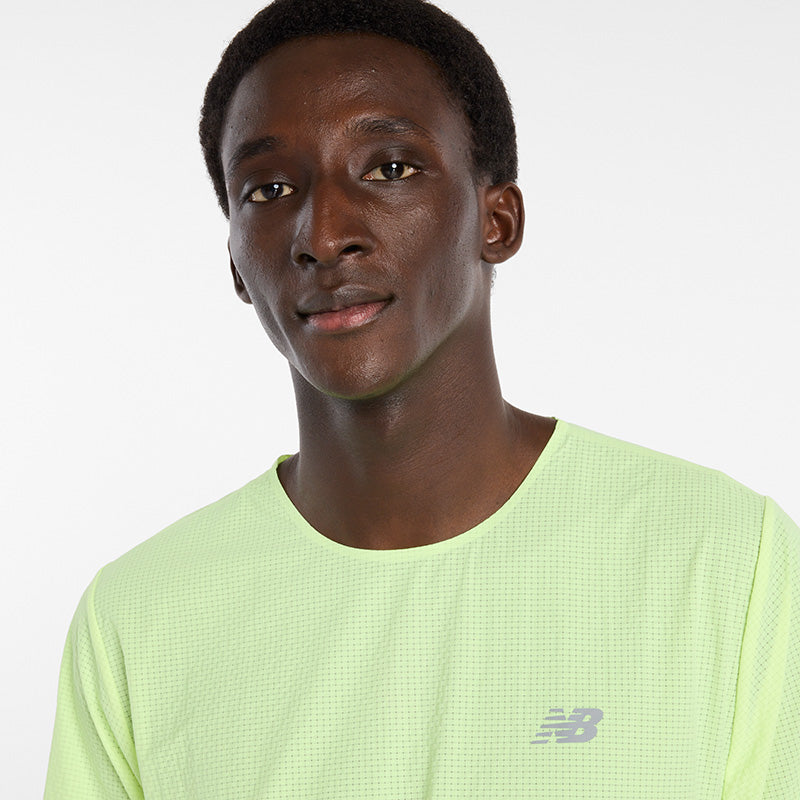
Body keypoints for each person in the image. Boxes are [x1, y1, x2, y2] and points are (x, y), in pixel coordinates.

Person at [44, 0, 799, 797]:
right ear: (235, 261)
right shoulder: (137, 621)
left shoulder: (726, 562)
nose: (322, 235)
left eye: (390, 169)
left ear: (496, 220)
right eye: (269, 188)